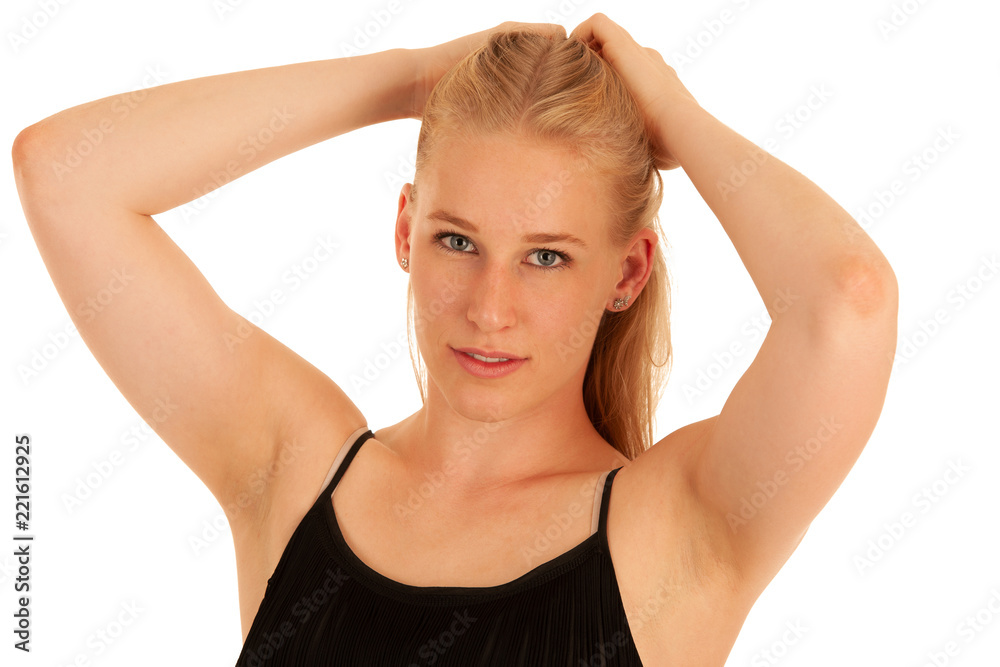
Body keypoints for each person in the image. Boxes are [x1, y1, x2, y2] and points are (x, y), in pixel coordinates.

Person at [12, 12, 897, 666]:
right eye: (458, 240)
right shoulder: (292, 467)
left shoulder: (680, 530)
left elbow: (848, 304)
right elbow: (62, 174)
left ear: (628, 272)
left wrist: (674, 111)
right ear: (405, 229)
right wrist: (405, 80)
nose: (489, 307)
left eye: (546, 256)